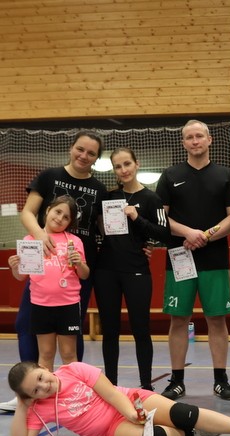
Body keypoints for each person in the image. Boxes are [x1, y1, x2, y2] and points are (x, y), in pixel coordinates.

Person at [2, 131, 107, 413]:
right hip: (42, 268)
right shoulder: (49, 176)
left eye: (91, 153)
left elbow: (106, 228)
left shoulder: (99, 188)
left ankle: (75, 391)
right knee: (26, 324)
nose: (84, 156)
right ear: (72, 148)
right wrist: (39, 235)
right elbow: (27, 212)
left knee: (72, 333)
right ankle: (29, 390)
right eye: (80, 149)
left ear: (97, 158)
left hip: (75, 270)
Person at [7, 361, 230, 436]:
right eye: (35, 390)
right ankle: (191, 432)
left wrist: (131, 413)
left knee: (180, 412)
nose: (44, 386)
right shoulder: (39, 408)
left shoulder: (73, 370)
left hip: (128, 401)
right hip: (109, 429)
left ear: (44, 368)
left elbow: (111, 393)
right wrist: (22, 405)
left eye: (40, 377)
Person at [155, 120, 230, 401]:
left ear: (209, 139)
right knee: (179, 319)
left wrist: (205, 235)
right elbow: (161, 217)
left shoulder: (225, 175)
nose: (195, 141)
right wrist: (188, 233)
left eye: (199, 136)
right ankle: (177, 381)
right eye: (189, 137)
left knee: (217, 319)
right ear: (184, 143)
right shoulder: (170, 175)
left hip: (215, 259)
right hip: (179, 257)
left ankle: (221, 380)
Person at [95, 148, 170, 391]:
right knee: (110, 330)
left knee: (141, 329)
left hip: (137, 270)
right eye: (118, 166)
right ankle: (111, 386)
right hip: (106, 270)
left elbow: (163, 233)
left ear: (136, 164)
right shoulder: (108, 197)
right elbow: (96, 226)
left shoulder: (151, 199)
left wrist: (137, 217)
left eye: (127, 164)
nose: (123, 170)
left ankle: (146, 386)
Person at [8, 196, 90, 371]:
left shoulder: (74, 242)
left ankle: (74, 388)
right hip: (41, 306)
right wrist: (15, 267)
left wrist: (79, 264)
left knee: (69, 354)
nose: (60, 218)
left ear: (70, 222)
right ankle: (47, 389)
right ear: (48, 210)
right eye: (57, 212)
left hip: (68, 305)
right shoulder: (30, 240)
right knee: (45, 354)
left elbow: (84, 275)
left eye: (66, 217)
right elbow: (21, 277)